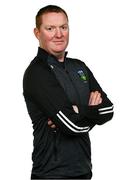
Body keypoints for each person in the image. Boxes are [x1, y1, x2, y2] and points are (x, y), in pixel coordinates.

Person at [23, 5, 114, 179]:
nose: (59, 34)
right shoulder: (37, 73)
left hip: (84, 171)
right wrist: (90, 111)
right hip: (51, 174)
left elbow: (108, 110)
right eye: (50, 28)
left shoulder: (79, 67)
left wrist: (77, 111)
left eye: (63, 27)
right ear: (37, 33)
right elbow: (73, 125)